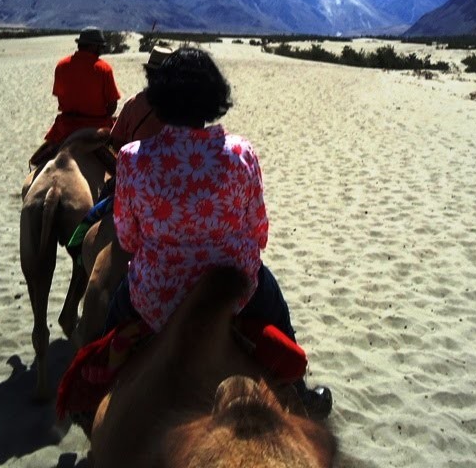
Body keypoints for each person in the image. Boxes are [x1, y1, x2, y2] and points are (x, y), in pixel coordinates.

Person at [107, 46, 331, 417]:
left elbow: (128, 239)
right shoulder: (241, 153)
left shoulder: (131, 157)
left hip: (156, 294)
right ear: (214, 97)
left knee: (108, 325)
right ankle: (299, 392)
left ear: (160, 97)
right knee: (276, 310)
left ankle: (91, 394)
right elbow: (258, 230)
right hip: (233, 288)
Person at [29, 27, 120, 169]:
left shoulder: (62, 65)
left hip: (65, 128)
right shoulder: (104, 68)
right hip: (96, 129)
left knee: (37, 161)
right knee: (118, 168)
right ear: (93, 46)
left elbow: (60, 98)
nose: (100, 50)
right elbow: (112, 105)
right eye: (99, 47)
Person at [109, 44, 173, 149]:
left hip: (134, 163)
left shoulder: (133, 103)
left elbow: (117, 142)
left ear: (148, 74)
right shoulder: (182, 109)